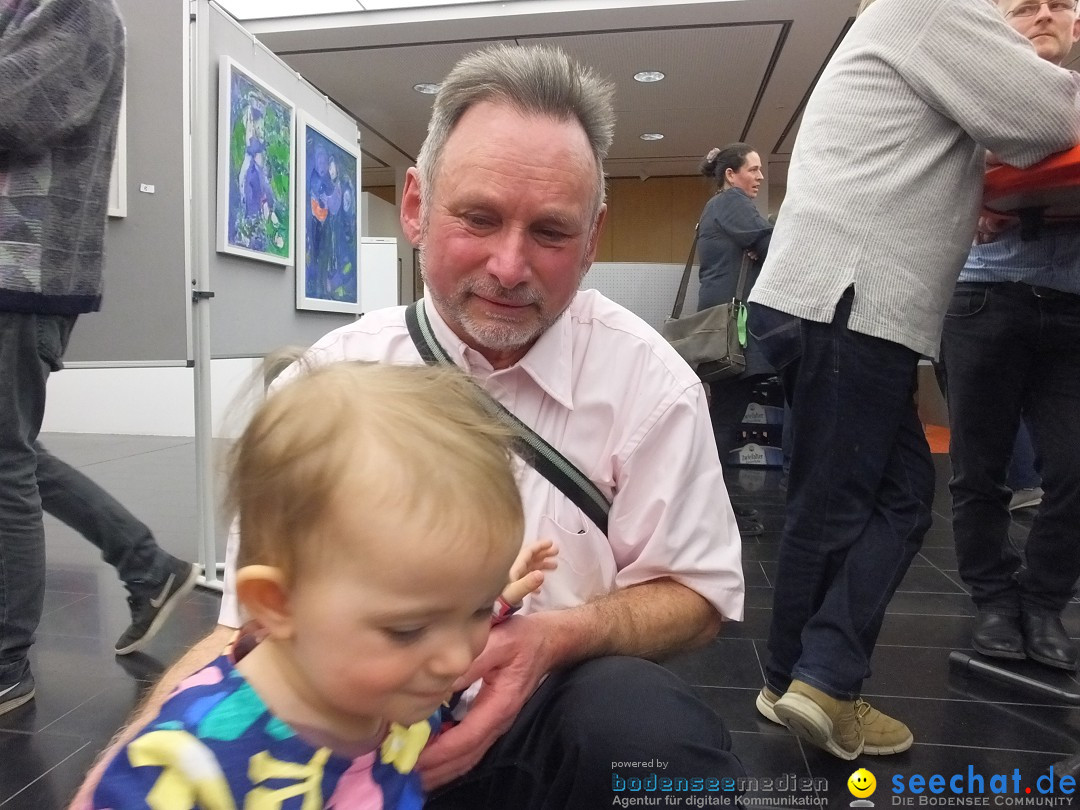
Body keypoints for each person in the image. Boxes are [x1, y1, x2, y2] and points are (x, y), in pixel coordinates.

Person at [74, 43, 746, 809]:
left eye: (551, 232)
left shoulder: (651, 384)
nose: (509, 266)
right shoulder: (328, 381)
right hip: (349, 741)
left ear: (592, 238)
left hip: (550, 722)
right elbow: (248, 629)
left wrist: (550, 639)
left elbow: (697, 593)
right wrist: (134, 762)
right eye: (479, 218)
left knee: (646, 729)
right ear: (417, 206)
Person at [745, 0, 1080, 761]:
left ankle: (812, 676)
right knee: (840, 506)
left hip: (835, 300)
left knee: (894, 497)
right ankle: (806, 678)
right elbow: (1046, 118)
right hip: (848, 300)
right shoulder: (934, 6)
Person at [89, 361, 542, 808]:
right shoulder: (185, 769)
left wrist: (499, 600)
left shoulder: (390, 684)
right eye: (407, 630)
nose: (457, 659)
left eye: (478, 609)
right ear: (277, 604)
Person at [0, 0, 195, 718]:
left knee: (4, 460)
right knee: (11, 452)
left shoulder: (78, 6)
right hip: (16, 269)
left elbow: (17, 107)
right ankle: (148, 566)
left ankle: (6, 664)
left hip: (21, 269)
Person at [942, 0, 1080, 672]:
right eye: (1027, 6)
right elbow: (922, 176)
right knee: (980, 469)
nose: (1044, 16)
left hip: (1072, 303)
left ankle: (1044, 599)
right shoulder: (966, 95)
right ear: (1000, 21)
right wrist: (964, 199)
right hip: (983, 296)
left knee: (1075, 468)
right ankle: (995, 601)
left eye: (1060, 6)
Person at [695, 143, 773, 537]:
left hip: (722, 326)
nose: (759, 176)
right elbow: (771, 245)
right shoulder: (732, 202)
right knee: (724, 420)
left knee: (722, 418)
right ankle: (711, 510)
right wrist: (769, 237)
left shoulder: (719, 207)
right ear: (730, 174)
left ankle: (713, 503)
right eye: (752, 169)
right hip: (733, 330)